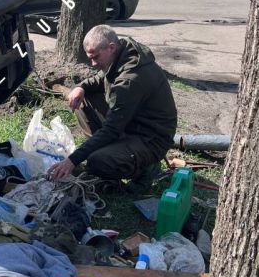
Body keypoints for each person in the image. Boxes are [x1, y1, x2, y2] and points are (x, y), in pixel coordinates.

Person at [47, 25, 177, 186]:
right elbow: (102, 77)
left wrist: (72, 161)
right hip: (133, 124)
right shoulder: (122, 54)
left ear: (111, 47)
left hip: (150, 138)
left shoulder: (130, 80)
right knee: (83, 99)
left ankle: (146, 168)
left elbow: (111, 130)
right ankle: (107, 149)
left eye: (95, 57)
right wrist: (81, 87)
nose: (93, 64)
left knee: (98, 162)